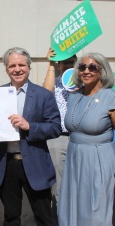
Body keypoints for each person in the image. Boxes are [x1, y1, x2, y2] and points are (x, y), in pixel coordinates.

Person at [0, 47, 62, 226]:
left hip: (35, 164)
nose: (17, 69)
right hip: (6, 165)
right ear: (6, 69)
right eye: (12, 65)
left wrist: (29, 126)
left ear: (29, 67)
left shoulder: (43, 95)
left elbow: (55, 127)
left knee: (44, 217)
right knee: (11, 218)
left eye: (21, 65)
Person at [58, 52, 115, 226]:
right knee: (72, 206)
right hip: (74, 159)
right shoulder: (74, 96)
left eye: (92, 67)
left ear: (102, 71)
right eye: (82, 67)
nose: (86, 71)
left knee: (96, 209)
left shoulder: (110, 97)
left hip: (99, 160)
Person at [43, 48, 77, 205]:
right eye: (65, 62)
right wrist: (51, 63)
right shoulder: (54, 83)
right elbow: (46, 95)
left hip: (80, 139)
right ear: (59, 65)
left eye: (71, 61)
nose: (68, 65)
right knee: (59, 188)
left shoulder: (83, 83)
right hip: (58, 139)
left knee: (79, 185)